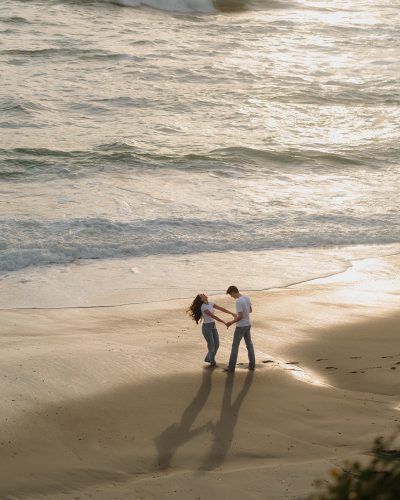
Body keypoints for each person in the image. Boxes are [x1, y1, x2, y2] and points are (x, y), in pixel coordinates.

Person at [187, 293, 235, 367]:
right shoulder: (203, 307)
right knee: (211, 345)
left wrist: (231, 313)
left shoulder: (210, 303)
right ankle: (212, 362)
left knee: (217, 344)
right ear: (201, 299)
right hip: (206, 328)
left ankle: (208, 358)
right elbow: (213, 316)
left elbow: (221, 308)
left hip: (213, 325)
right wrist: (224, 322)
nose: (204, 294)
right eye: (202, 295)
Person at [224, 285, 255, 373]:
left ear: (233, 292)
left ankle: (231, 368)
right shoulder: (246, 298)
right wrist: (242, 314)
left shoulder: (238, 301)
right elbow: (250, 310)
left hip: (241, 326)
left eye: (231, 295)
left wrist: (230, 322)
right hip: (248, 324)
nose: (231, 297)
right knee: (249, 345)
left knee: (235, 346)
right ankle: (252, 365)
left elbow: (240, 316)